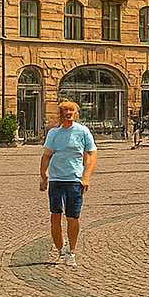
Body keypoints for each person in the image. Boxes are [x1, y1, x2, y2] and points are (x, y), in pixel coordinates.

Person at [40, 100, 97, 268]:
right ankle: (60, 250)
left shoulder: (83, 132)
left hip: (74, 180)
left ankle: (71, 251)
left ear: (76, 113)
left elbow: (93, 154)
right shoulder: (54, 133)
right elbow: (46, 155)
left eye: (71, 110)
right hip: (57, 180)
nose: (68, 113)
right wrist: (43, 175)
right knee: (55, 216)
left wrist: (86, 176)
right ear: (60, 114)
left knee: (73, 217)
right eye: (65, 110)